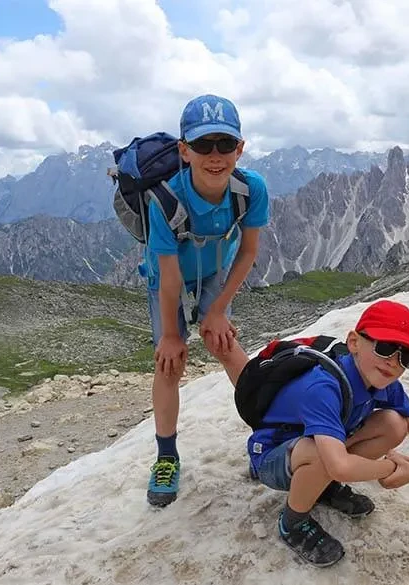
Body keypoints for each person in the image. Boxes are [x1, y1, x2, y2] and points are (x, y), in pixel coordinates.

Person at [144, 94, 269, 507]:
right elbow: (168, 278)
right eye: (202, 146)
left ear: (240, 148)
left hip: (217, 270)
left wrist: (215, 311)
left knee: (224, 344)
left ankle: (269, 438)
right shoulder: (163, 200)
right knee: (169, 362)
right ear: (184, 150)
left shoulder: (251, 189)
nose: (215, 156)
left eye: (224, 145)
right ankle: (166, 456)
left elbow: (249, 250)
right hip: (169, 278)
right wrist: (171, 336)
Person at [247, 300, 409, 567]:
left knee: (394, 424)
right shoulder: (322, 387)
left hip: (312, 447)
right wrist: (390, 467)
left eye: (407, 357)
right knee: (323, 458)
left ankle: (321, 486)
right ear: (354, 342)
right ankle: (293, 522)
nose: (394, 362)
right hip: (271, 458)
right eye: (386, 347)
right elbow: (340, 466)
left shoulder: (383, 379)